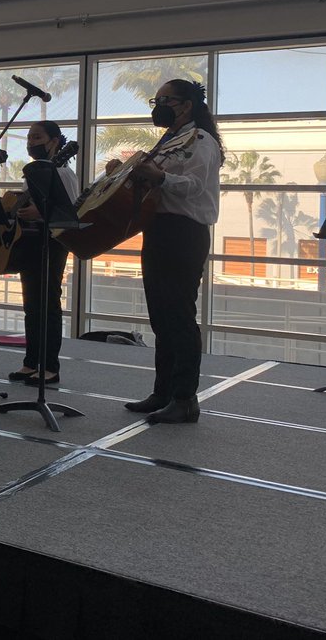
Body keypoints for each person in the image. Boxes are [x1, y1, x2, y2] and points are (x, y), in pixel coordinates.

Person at [110, 80, 222, 424]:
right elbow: (152, 184)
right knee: (160, 317)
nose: (157, 106)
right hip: (159, 230)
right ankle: (163, 392)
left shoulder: (200, 141)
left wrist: (157, 177)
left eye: (165, 100)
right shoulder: (169, 141)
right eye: (154, 100)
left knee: (178, 317)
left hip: (184, 233)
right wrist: (123, 175)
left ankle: (185, 398)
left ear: (186, 105)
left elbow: (194, 186)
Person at [6, 121, 80, 386]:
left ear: (55, 141)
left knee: (48, 303)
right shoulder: (35, 173)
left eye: (37, 137)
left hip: (53, 242)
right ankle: (31, 362)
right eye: (28, 138)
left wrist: (40, 213)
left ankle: (50, 366)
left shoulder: (64, 173)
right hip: (31, 242)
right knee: (31, 305)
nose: (31, 142)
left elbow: (71, 212)